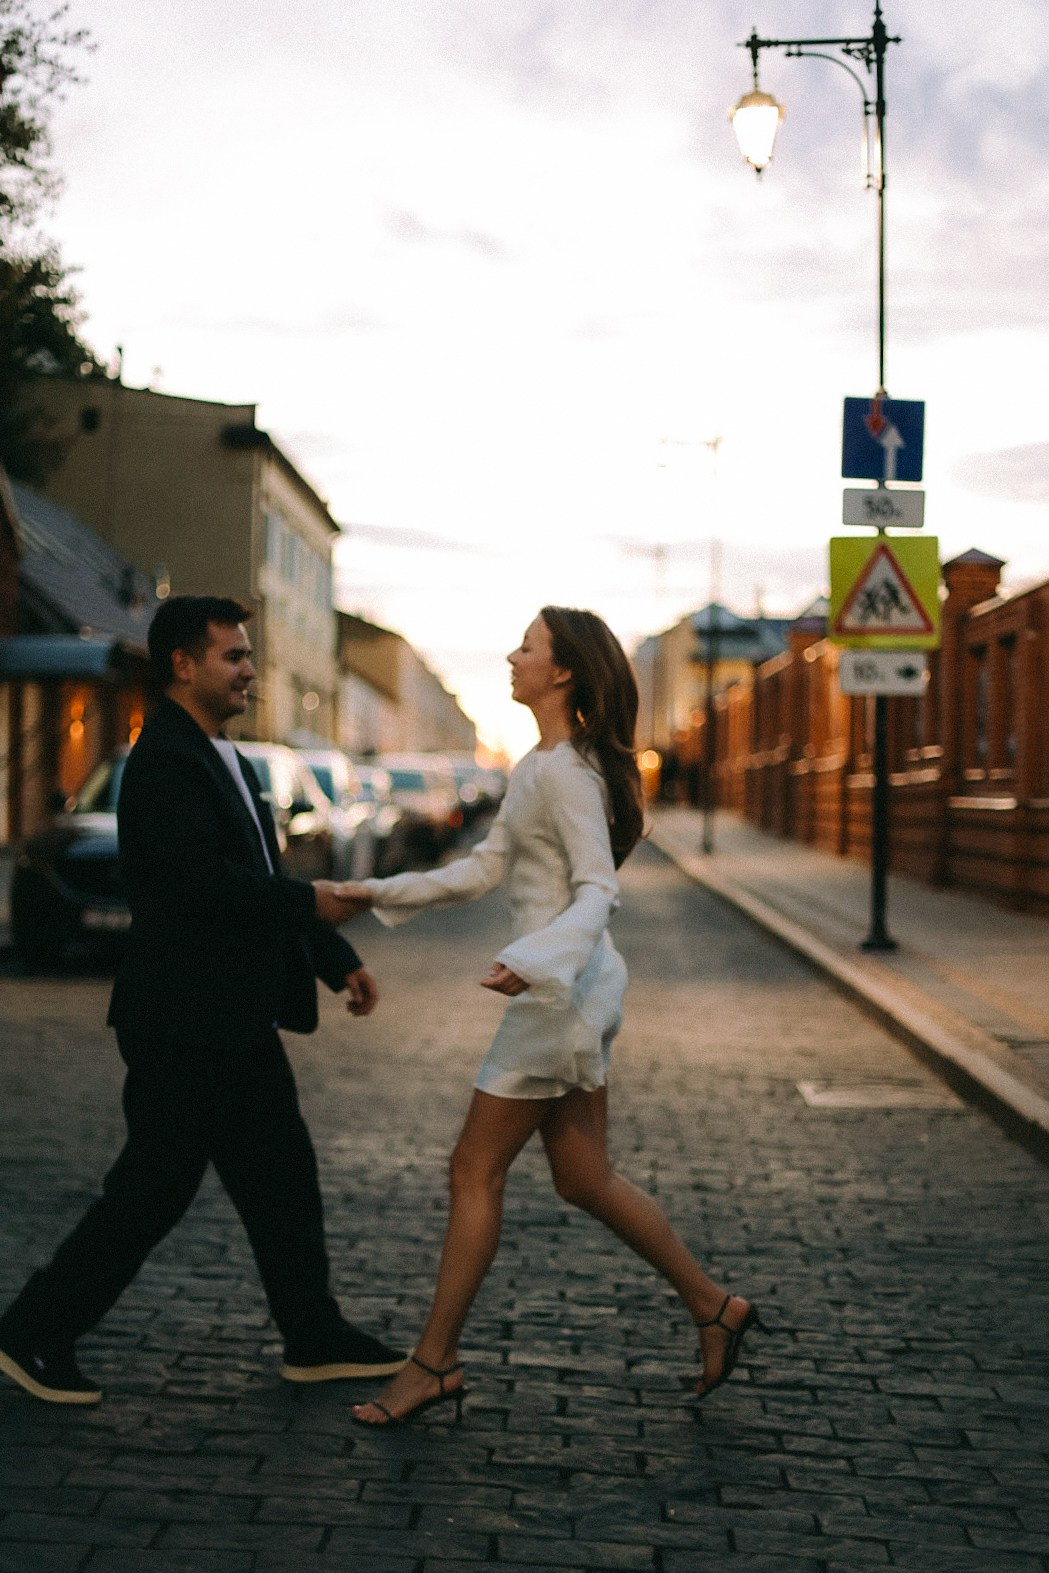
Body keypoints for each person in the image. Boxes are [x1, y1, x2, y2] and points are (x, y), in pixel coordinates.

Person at [341, 607, 767, 1426]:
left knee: (474, 1170)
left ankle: (431, 1363)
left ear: (563, 670)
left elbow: (597, 890)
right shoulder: (543, 763)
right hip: (572, 988)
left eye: (527, 646)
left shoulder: (567, 771)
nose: (511, 653)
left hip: (556, 997)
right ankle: (715, 1307)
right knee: (583, 1176)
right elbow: (480, 869)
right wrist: (369, 893)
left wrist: (533, 960)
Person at [0, 597, 404, 1405]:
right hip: (183, 1020)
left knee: (281, 1176)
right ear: (182, 664)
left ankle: (313, 1334)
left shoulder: (224, 755)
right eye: (233, 656)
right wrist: (312, 906)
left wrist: (330, 953)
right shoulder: (162, 762)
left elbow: (259, 874)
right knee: (151, 1189)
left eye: (249, 655)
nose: (250, 669)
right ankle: (33, 1332)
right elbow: (200, 888)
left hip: (231, 1017)